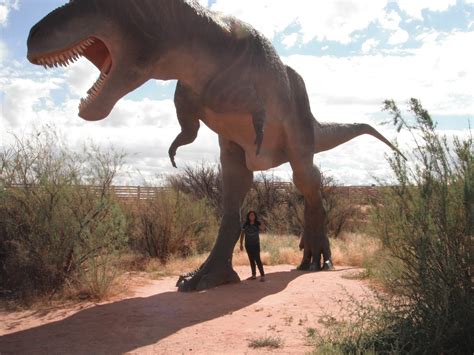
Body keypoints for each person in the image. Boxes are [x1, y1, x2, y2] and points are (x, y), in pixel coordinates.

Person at [239, 210, 265, 282]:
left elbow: (263, 228)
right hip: (248, 245)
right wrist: (241, 244)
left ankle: (262, 276)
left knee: (258, 260)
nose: (252, 216)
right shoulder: (246, 224)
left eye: (253, 215)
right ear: (248, 216)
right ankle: (254, 275)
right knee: (251, 260)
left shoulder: (257, 223)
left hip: (256, 244)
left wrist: (261, 222)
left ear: (255, 216)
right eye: (250, 215)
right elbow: (242, 234)